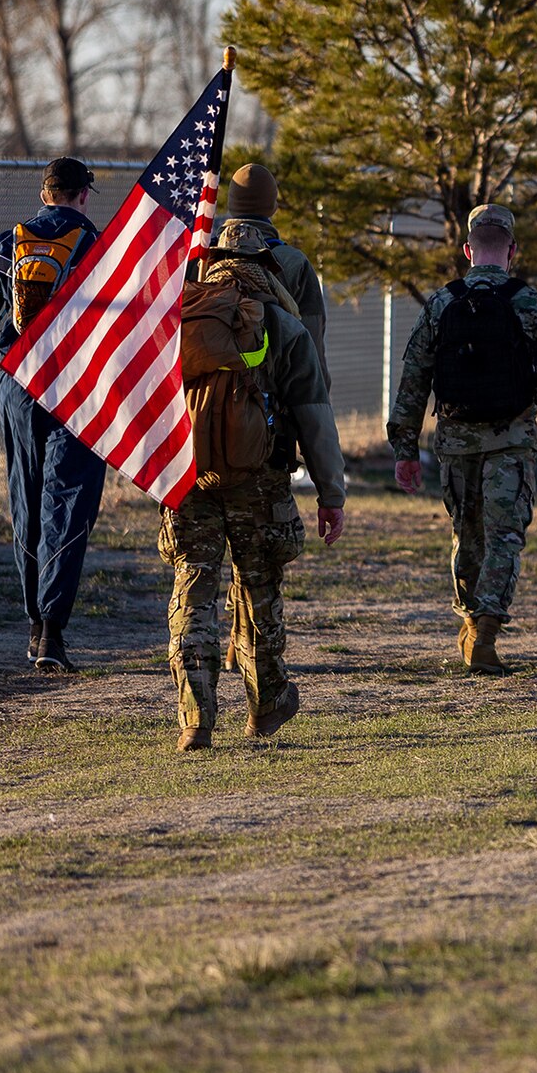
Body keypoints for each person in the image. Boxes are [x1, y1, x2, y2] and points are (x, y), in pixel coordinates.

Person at [163, 221, 347, 751]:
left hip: (189, 480)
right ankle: (266, 704)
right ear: (266, 266)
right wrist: (330, 493)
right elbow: (314, 415)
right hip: (260, 484)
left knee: (193, 592)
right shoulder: (285, 328)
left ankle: (195, 717)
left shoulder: (179, 320)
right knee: (259, 589)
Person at [388, 204, 537, 675]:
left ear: (468, 249)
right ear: (511, 250)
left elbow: (413, 379)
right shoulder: (529, 303)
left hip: (454, 445)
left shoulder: (441, 303)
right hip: (510, 443)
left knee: (465, 534)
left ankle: (471, 622)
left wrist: (406, 449)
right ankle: (484, 632)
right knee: (505, 537)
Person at [0, 157, 108, 673]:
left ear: (44, 193)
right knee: (68, 502)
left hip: (18, 383)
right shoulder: (101, 247)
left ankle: (33, 625)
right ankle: (53, 632)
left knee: (26, 495)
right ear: (83, 195)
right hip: (77, 389)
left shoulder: (5, 244)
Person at [217, 162, 330, 386]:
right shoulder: (293, 262)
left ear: (231, 206)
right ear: (273, 207)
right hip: (274, 403)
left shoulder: (204, 260)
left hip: (208, 401)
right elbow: (312, 345)